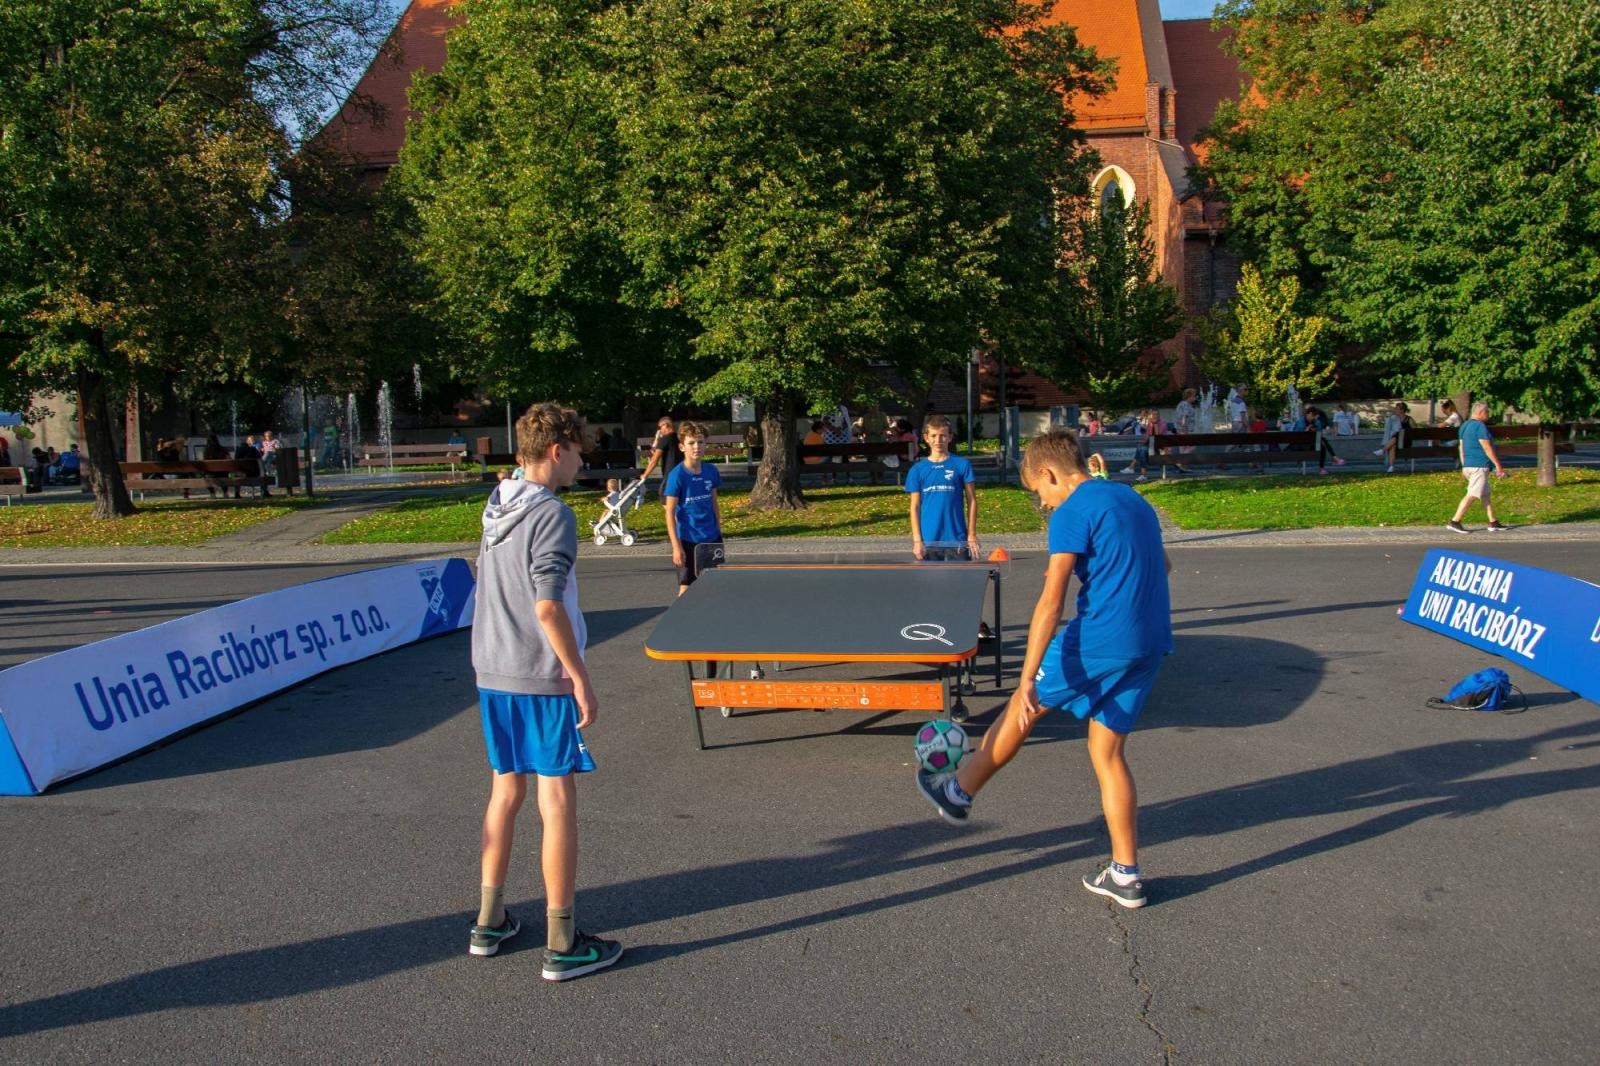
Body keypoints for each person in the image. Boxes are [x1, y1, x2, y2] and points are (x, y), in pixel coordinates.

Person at [917, 428, 1172, 909]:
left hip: (1099, 638)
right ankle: (1125, 874)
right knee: (1107, 752)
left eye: (1041, 494)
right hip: (1150, 641)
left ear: (1049, 473)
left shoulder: (1073, 511)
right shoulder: (1132, 498)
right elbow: (1165, 566)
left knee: (1023, 706)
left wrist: (1026, 676)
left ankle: (958, 791)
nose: (1046, 505)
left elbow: (1051, 602)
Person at [469, 401, 622, 980]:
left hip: (493, 669)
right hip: (538, 672)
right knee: (555, 799)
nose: (584, 461)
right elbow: (547, 604)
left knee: (504, 792)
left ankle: (490, 919)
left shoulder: (495, 503)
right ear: (557, 450)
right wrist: (579, 676)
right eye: (579, 451)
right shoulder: (553, 515)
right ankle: (562, 940)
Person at [906, 414, 978, 561]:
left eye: (942, 436)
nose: (938, 440)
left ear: (950, 437)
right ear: (926, 438)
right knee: (931, 583)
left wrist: (971, 535)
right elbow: (914, 507)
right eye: (933, 436)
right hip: (929, 540)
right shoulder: (917, 470)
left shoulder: (962, 465)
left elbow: (972, 501)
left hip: (957, 539)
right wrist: (917, 540)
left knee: (960, 583)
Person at [664, 421, 724, 596]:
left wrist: (718, 530)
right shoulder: (677, 475)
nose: (696, 447)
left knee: (713, 584)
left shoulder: (711, 471)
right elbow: (669, 512)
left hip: (711, 537)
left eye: (700, 442)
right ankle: (680, 622)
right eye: (691, 443)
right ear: (682, 447)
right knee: (686, 588)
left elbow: (714, 502)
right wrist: (676, 547)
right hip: (688, 540)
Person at [1447, 402, 1508, 534]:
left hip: (1469, 465)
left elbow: (1461, 447)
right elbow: (1487, 447)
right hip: (1479, 466)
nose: (1488, 415)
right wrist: (1498, 465)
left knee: (1485, 494)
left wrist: (1463, 466)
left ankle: (1493, 522)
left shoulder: (1464, 426)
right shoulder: (1480, 427)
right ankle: (1455, 521)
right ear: (1480, 413)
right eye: (1486, 412)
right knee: (1472, 495)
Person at [637, 415, 680, 500]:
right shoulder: (679, 438)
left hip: (670, 474)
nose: (660, 430)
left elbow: (654, 459)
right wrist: (657, 439)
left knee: (663, 497)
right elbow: (655, 451)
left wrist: (645, 475)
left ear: (666, 425)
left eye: (660, 427)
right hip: (681, 472)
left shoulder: (665, 438)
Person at [1304, 405, 1345, 474]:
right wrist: (1308, 429)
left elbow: (1319, 433)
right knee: (1323, 442)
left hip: (1313, 442)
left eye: (1315, 415)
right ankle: (1334, 459)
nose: (1314, 417)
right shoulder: (1301, 421)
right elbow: (1301, 435)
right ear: (1309, 413)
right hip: (1304, 444)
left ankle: (1327, 464)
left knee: (1322, 444)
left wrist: (1314, 429)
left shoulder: (1316, 421)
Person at [1374, 403, 1411, 473]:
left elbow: (1414, 429)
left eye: (1397, 409)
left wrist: (1404, 431)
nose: (1395, 410)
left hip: (1405, 441)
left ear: (1402, 410)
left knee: (1397, 435)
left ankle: (1383, 450)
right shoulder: (1394, 419)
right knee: (1393, 446)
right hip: (1396, 442)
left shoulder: (1408, 419)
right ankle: (1391, 467)